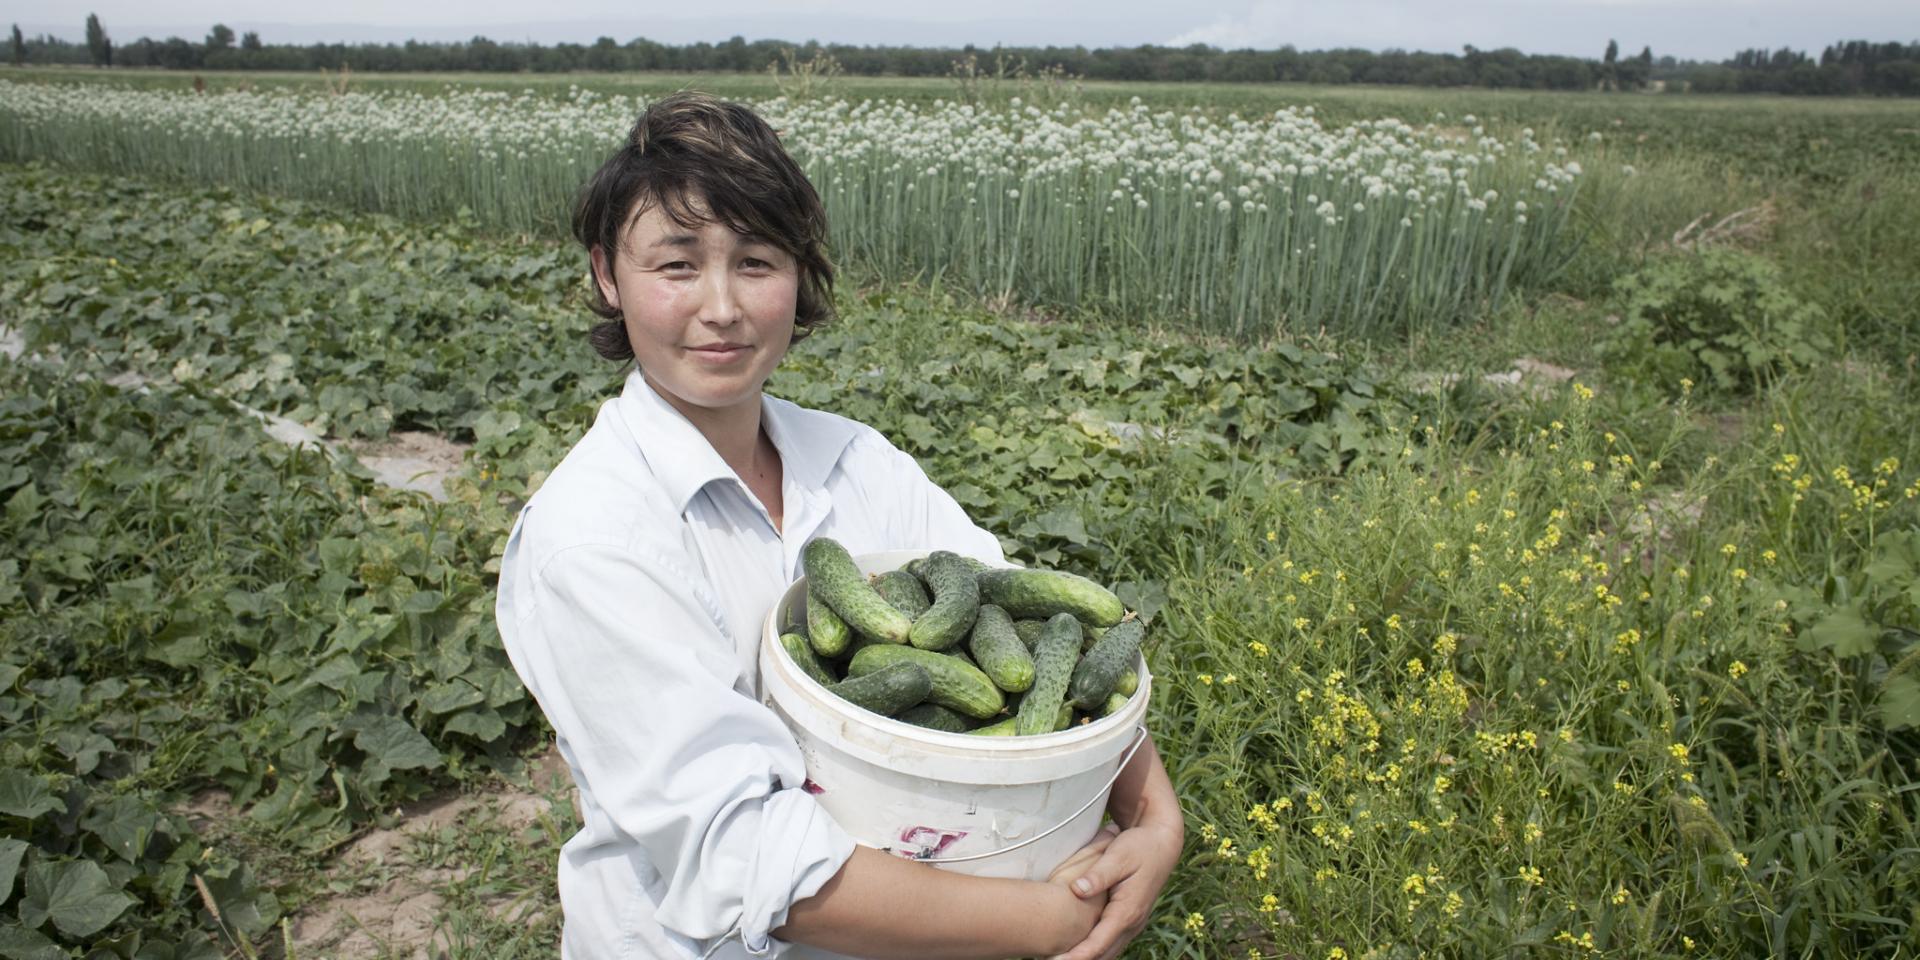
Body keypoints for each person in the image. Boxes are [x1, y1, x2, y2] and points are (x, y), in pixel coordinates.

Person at [494, 91, 1184, 960]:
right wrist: (1049, 923)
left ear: (799, 273)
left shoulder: (859, 463)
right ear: (606, 274)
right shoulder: (596, 539)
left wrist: (1155, 818)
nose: (721, 307)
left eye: (755, 261)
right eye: (675, 267)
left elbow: (1044, 630)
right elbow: (740, 858)